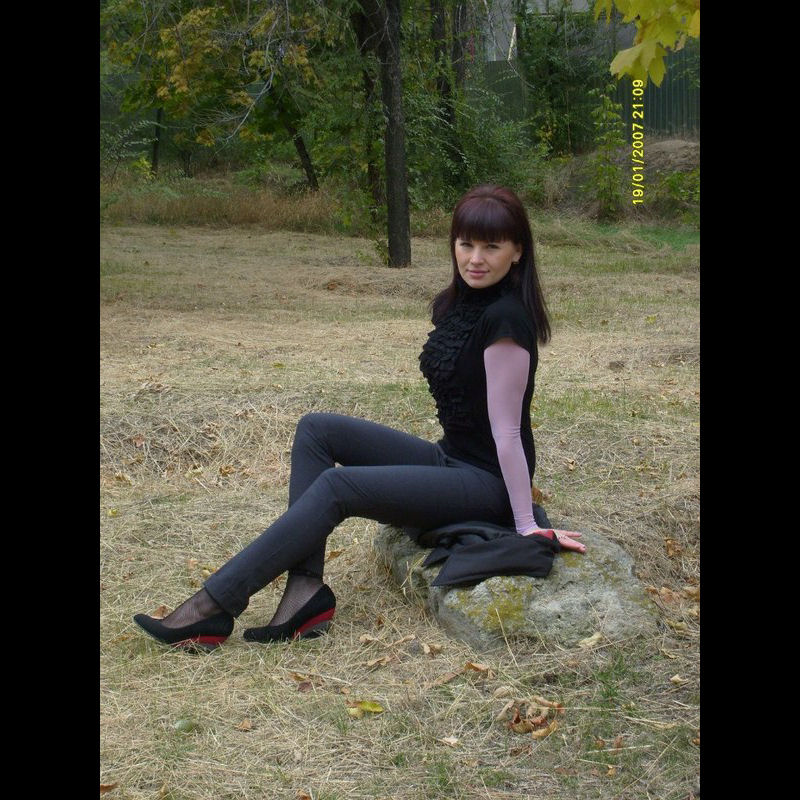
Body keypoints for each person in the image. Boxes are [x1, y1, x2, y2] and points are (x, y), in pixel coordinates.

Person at [133, 184, 585, 651]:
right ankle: (305, 588)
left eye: (491, 247)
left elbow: (507, 432)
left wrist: (525, 524)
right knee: (316, 430)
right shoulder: (459, 303)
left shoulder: (507, 320)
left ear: (517, 252)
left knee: (337, 487)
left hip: (488, 484)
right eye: (465, 243)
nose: (475, 258)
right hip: (451, 459)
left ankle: (214, 604)